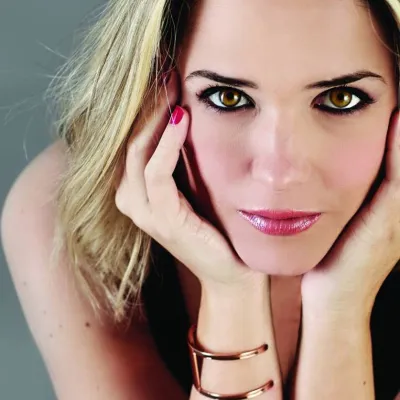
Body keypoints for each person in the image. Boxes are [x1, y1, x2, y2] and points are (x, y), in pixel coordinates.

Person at [2, 0, 400, 398]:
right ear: (153, 91)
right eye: (228, 97)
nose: (278, 172)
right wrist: (230, 298)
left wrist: (340, 310)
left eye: (341, 98)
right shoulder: (60, 209)